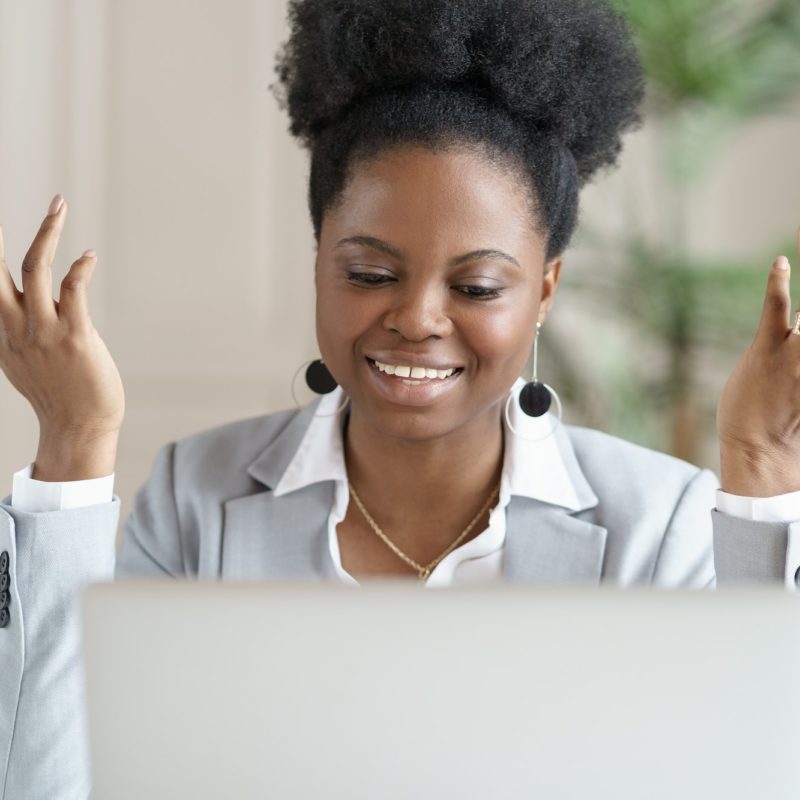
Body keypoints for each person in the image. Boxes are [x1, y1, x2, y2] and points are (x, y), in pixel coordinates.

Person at [1, 0, 799, 796]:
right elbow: (56, 787)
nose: (416, 319)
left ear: (546, 289)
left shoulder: (661, 526)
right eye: (370, 274)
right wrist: (74, 442)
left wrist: (761, 471)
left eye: (477, 285)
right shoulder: (195, 499)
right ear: (319, 262)